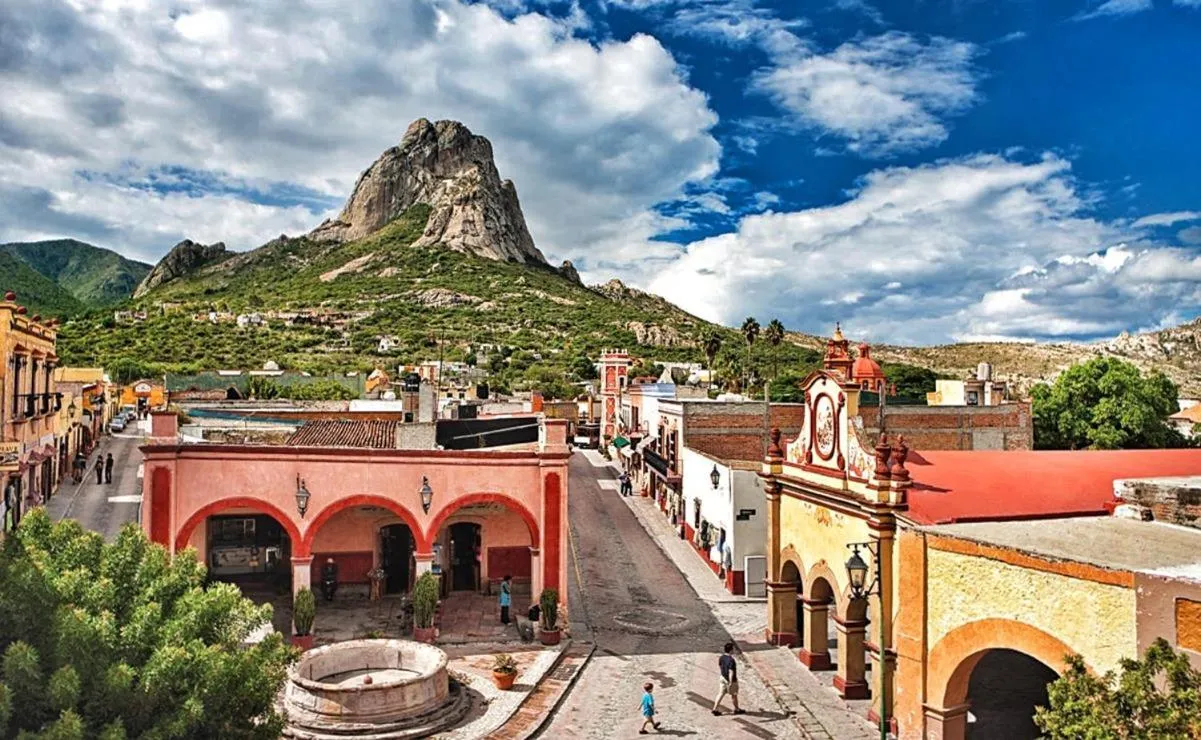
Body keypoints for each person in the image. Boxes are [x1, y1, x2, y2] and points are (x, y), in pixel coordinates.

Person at [712, 642, 744, 716]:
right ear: (731, 650)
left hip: (722, 677)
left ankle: (715, 708)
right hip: (731, 680)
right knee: (734, 694)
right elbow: (731, 671)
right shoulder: (731, 660)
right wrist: (730, 682)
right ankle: (737, 709)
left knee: (720, 693)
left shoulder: (721, 657)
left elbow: (720, 665)